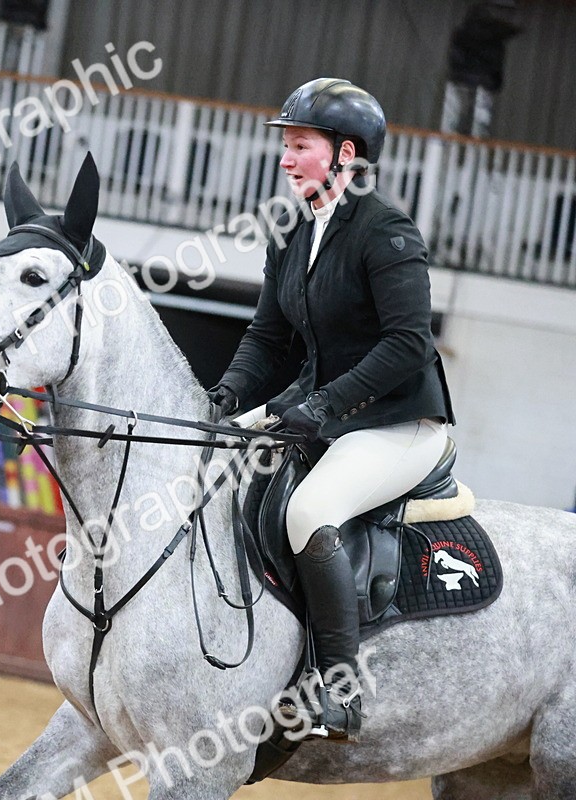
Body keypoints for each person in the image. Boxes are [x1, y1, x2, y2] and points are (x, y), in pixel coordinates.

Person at [209, 78, 456, 742]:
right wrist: (225, 397)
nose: (286, 160)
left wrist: (321, 405)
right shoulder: (292, 234)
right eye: (285, 147)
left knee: (309, 510)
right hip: (327, 412)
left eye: (299, 146)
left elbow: (409, 342)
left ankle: (339, 691)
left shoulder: (386, 230)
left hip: (401, 421)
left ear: (346, 154)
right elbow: (267, 337)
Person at [441, 0, 522, 138]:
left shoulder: (461, 35)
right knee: (480, 123)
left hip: (461, 79)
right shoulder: (496, 41)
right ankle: (476, 147)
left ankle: (448, 142)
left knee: (452, 119)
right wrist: (494, 82)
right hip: (482, 82)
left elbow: (455, 58)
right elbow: (496, 64)